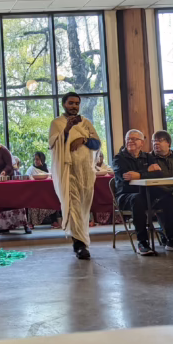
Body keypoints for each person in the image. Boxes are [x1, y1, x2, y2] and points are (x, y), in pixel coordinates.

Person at [49, 92, 101, 260]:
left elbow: (97, 143)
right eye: (70, 103)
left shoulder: (86, 123)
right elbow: (53, 144)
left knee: (84, 209)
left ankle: (82, 240)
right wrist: (67, 130)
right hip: (68, 172)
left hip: (85, 173)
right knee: (73, 208)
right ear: (64, 104)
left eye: (77, 103)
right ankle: (79, 245)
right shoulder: (57, 123)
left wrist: (83, 141)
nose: (74, 106)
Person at [113, 129, 168, 256]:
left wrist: (139, 174)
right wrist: (147, 171)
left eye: (134, 139)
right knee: (137, 199)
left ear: (142, 143)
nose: (130, 141)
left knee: (167, 197)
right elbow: (125, 177)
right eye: (128, 139)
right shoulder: (119, 158)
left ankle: (171, 238)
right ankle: (142, 242)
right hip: (126, 196)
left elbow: (159, 174)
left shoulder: (148, 157)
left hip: (146, 194)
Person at [25, 151, 59, 229]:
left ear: (42, 160)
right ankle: (31, 223)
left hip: (45, 193)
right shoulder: (31, 169)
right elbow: (27, 177)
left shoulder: (48, 169)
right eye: (35, 159)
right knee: (31, 203)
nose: (36, 161)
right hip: (34, 194)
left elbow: (52, 177)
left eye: (38, 159)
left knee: (51, 199)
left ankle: (54, 221)